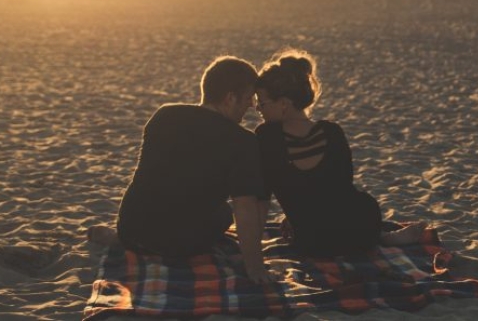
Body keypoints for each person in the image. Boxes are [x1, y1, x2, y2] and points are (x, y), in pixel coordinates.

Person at [87, 56, 271, 284]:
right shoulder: (242, 141)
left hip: (130, 228)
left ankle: (118, 241)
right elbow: (244, 208)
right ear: (230, 98)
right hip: (177, 243)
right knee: (224, 213)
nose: (251, 106)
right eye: (248, 99)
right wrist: (255, 267)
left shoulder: (164, 115)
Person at [253, 49, 425, 257]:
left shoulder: (266, 136)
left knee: (335, 218)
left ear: (283, 103)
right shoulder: (331, 132)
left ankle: (382, 238)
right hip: (358, 230)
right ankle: (382, 238)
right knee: (361, 204)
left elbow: (266, 194)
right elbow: (338, 188)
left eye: (261, 103)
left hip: (311, 239)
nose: (258, 110)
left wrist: (294, 215)